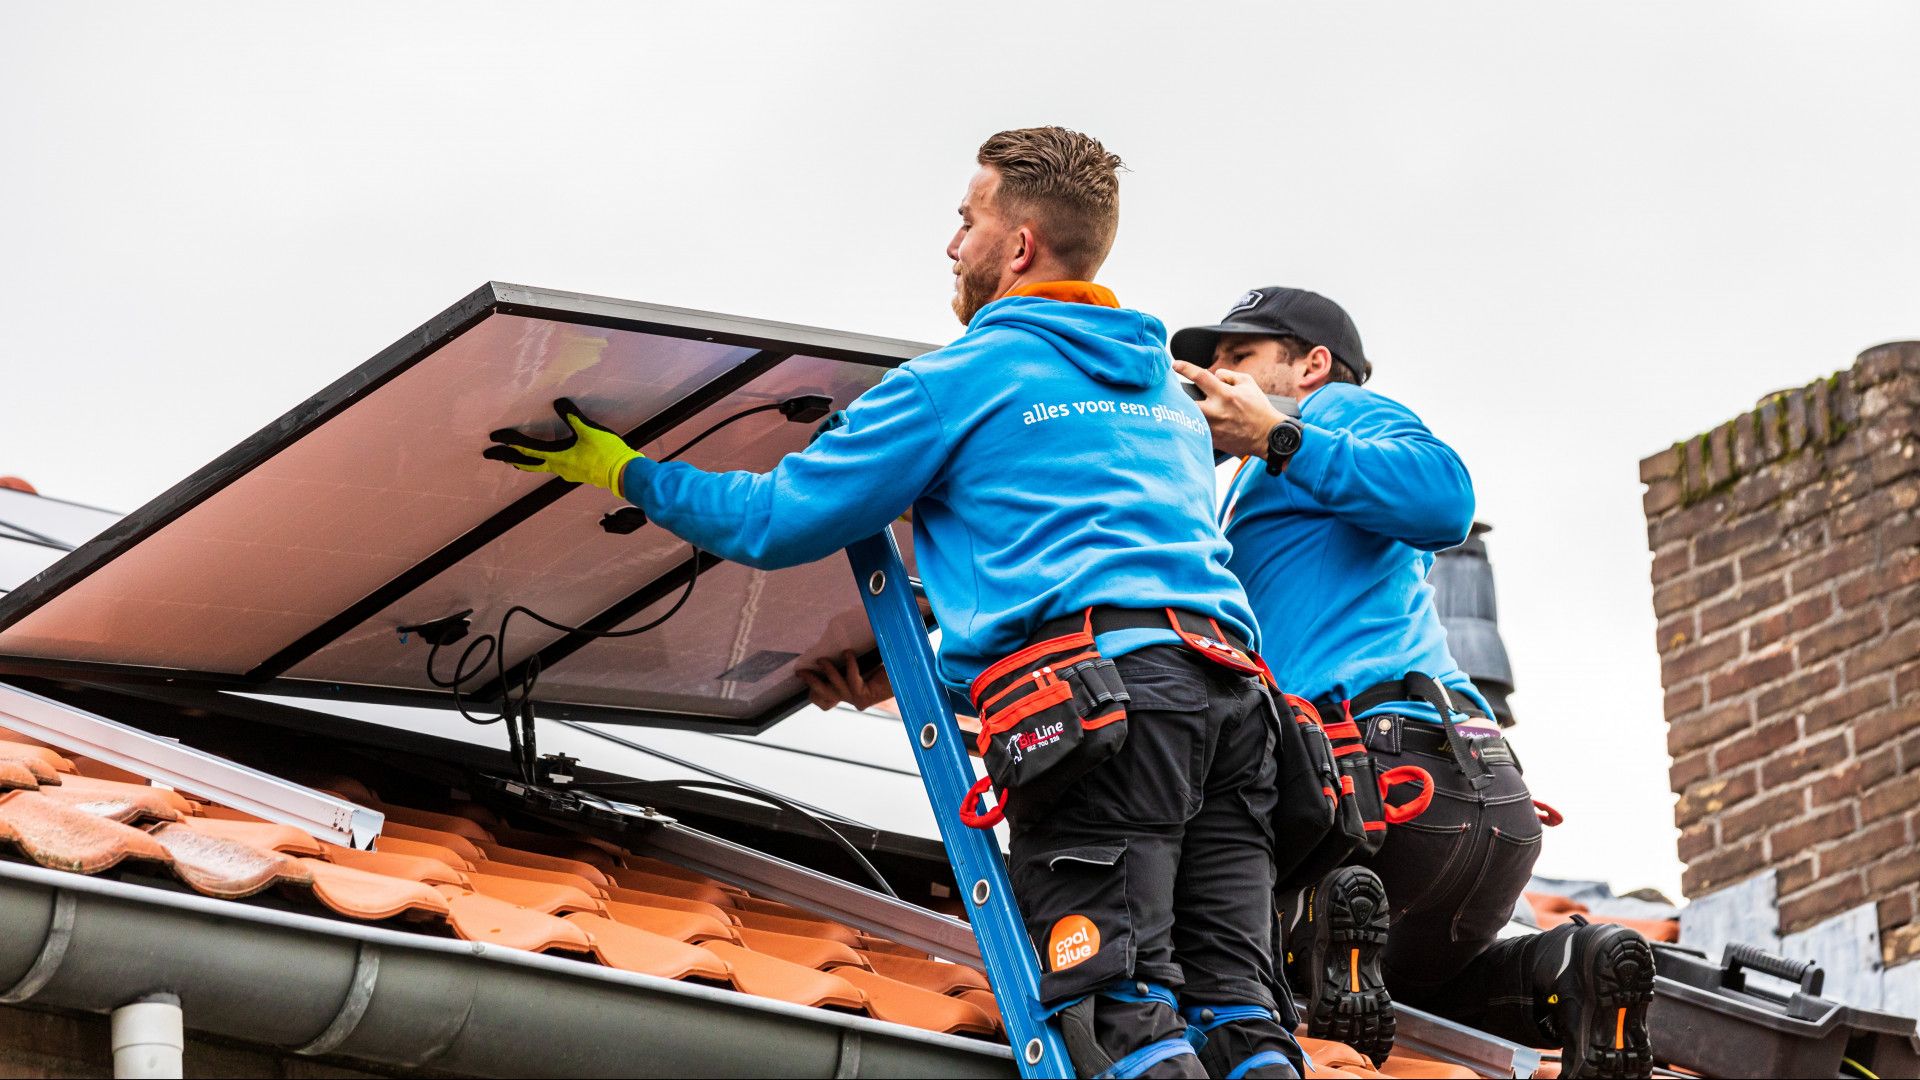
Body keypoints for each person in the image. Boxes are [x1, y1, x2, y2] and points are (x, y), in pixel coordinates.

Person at [489, 128, 1301, 1079]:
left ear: (1020, 245)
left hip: (1114, 713)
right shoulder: (1163, 394)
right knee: (1240, 1017)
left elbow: (779, 519)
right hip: (1236, 704)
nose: (952, 245)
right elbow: (1075, 546)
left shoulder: (957, 382)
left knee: (1116, 1014)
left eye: (967, 221)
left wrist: (626, 471)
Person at [1170, 287, 1655, 1080]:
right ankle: (1573, 968)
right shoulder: (1270, 479)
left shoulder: (1338, 415)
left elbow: (1445, 497)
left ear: (1313, 364)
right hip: (1484, 800)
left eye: (1239, 358)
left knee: (1232, 962)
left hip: (1374, 787)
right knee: (1428, 991)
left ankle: (1318, 927)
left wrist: (1278, 434)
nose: (1216, 377)